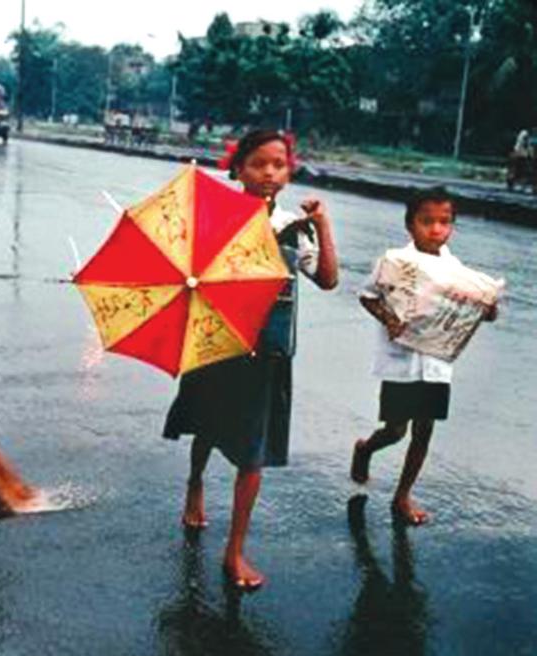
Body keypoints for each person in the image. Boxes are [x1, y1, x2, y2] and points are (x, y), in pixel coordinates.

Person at [163, 129, 340, 591]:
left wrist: (321, 227)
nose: (268, 173)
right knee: (205, 424)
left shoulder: (291, 227)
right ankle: (195, 481)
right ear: (237, 168)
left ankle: (235, 549)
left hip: (268, 352)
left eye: (278, 165)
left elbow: (328, 280)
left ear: (289, 171)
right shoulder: (216, 216)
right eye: (258, 164)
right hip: (218, 345)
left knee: (254, 454)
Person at [351, 187, 498, 526]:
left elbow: (478, 310)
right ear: (410, 224)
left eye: (444, 222)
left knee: (424, 430)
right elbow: (367, 296)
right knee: (396, 430)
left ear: (452, 226)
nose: (436, 230)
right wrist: (389, 319)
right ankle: (366, 448)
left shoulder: (455, 268)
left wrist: (488, 308)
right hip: (402, 362)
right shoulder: (395, 262)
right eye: (426, 221)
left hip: (436, 364)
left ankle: (402, 495)